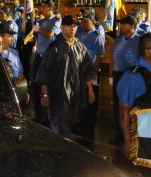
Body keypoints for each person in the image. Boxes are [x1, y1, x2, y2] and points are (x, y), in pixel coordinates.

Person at [36, 15, 96, 136]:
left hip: (76, 95)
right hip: (58, 95)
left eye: (75, 26)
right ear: (62, 27)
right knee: (59, 125)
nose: (73, 29)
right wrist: (45, 94)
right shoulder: (54, 48)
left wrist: (90, 90)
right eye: (69, 26)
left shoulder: (80, 47)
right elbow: (44, 72)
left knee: (72, 121)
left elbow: (87, 70)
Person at [76, 9, 106, 138]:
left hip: (89, 71)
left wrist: (94, 72)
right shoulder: (78, 32)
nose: (82, 23)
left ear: (92, 21)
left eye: (85, 21)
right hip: (77, 71)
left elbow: (100, 56)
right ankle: (79, 124)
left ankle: (88, 128)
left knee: (90, 99)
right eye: (82, 21)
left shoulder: (96, 35)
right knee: (79, 99)